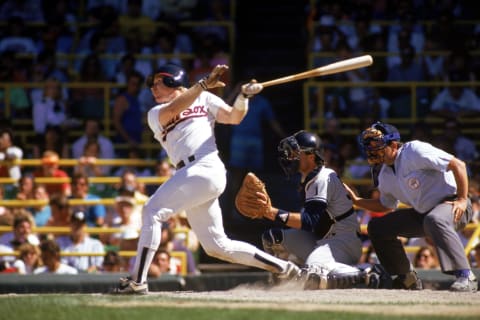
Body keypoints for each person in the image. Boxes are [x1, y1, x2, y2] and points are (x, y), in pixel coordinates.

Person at [113, 63, 300, 294]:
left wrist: (243, 97)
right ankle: (285, 268)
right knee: (217, 247)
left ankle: (137, 281)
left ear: (173, 81)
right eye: (151, 84)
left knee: (151, 210)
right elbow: (175, 109)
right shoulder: (155, 113)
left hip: (206, 165)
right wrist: (202, 85)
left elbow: (234, 117)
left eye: (157, 82)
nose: (152, 88)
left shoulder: (205, 99)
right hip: (190, 174)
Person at [343, 121, 478, 292]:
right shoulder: (385, 174)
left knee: (435, 218)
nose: (371, 150)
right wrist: (356, 200)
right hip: (424, 214)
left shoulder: (414, 150)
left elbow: (458, 165)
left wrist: (461, 199)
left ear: (393, 144)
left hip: (454, 205)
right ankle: (406, 278)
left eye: (377, 145)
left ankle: (466, 275)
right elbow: (385, 205)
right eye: (368, 146)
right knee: (377, 227)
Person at [259, 130, 379, 289]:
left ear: (310, 156)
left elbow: (309, 221)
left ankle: (365, 273)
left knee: (313, 274)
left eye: (296, 153)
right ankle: (283, 285)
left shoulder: (322, 178)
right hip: (321, 238)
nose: (290, 157)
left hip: (343, 241)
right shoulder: (307, 179)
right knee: (273, 239)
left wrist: (270, 212)